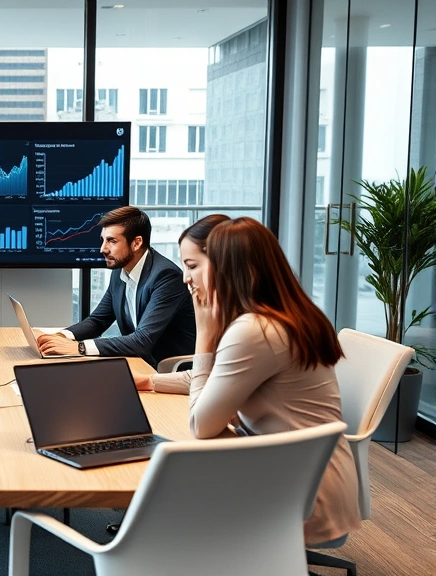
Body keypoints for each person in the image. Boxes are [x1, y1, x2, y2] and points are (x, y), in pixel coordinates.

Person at [187, 217, 360, 546]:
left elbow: (200, 424)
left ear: (229, 270)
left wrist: (204, 336)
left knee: (173, 501)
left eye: (199, 265)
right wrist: (154, 381)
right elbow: (221, 383)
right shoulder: (290, 314)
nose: (188, 278)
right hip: (310, 477)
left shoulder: (255, 330)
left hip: (299, 496)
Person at [36, 206, 195, 366]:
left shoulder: (166, 277)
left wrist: (79, 348)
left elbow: (142, 340)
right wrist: (60, 337)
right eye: (103, 240)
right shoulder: (121, 270)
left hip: (165, 369)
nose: (103, 249)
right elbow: (97, 321)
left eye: (112, 241)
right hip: (136, 362)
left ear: (136, 243)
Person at [131, 214, 232, 394]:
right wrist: (146, 381)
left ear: (223, 264)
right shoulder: (233, 316)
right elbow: (203, 378)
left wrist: (204, 332)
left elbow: (201, 419)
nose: (185, 278)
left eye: (192, 266)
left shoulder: (250, 331)